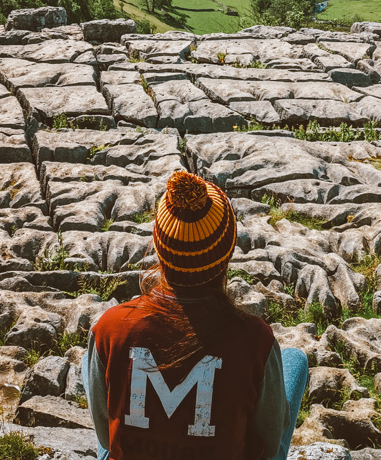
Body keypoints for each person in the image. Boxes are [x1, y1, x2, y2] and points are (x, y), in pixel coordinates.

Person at [83, 170, 309, 460]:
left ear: (159, 249)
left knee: (95, 357)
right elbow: (267, 441)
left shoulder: (111, 329)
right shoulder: (254, 341)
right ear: (226, 253)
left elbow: (105, 435)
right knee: (294, 360)